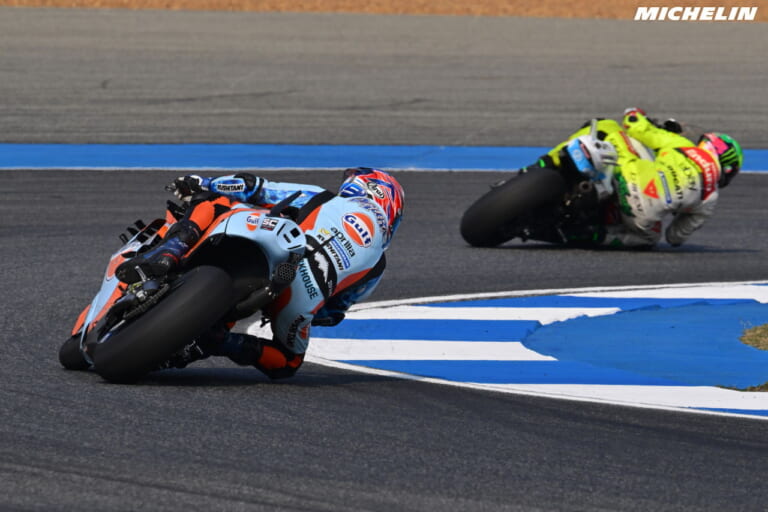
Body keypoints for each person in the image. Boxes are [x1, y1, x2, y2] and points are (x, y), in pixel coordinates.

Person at [115, 167, 404, 379]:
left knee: (214, 202)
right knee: (288, 362)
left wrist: (203, 183)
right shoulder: (378, 265)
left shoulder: (327, 198)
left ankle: (169, 251)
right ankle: (220, 342)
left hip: (283, 247)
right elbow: (334, 313)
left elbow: (255, 187)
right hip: (296, 295)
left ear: (364, 185)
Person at [533, 108, 743, 248]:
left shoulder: (683, 146)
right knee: (648, 240)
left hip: (626, 177)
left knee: (604, 125)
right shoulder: (710, 199)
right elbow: (675, 237)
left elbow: (637, 127)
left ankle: (544, 164)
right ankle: (585, 234)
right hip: (643, 216)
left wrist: (634, 113)